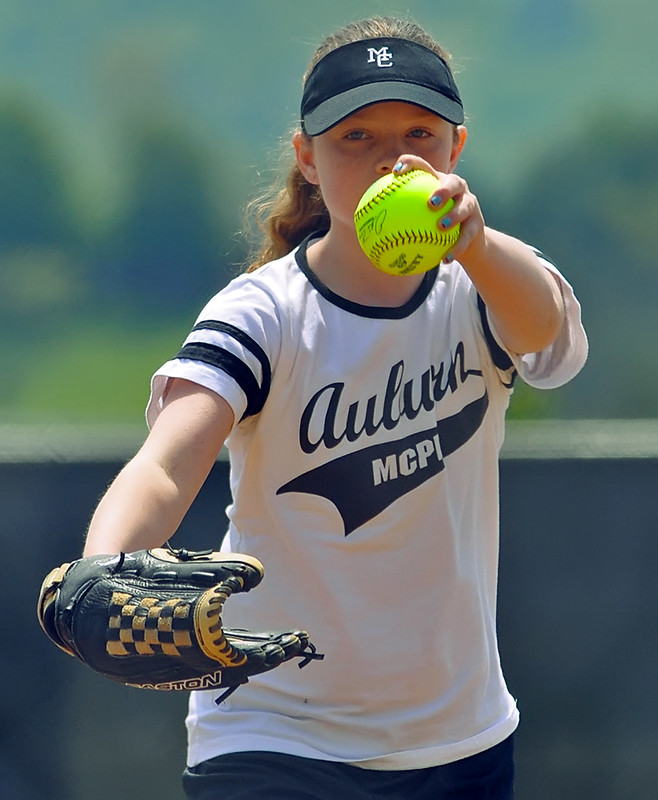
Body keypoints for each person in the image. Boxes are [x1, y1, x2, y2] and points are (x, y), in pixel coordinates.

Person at [83, 15, 587, 800]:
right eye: (356, 136)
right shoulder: (264, 312)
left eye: (419, 133)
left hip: (457, 737)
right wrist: (101, 566)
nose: (392, 158)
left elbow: (543, 334)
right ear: (306, 158)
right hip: (271, 730)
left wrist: (478, 245)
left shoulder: (484, 283)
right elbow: (168, 462)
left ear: (456, 148)